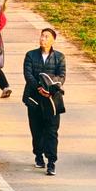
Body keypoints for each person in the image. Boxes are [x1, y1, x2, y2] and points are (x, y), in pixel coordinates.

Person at [22, 27, 66, 176]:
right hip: (34, 98)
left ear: (53, 40)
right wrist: (39, 88)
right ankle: (38, 155)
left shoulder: (59, 57)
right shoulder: (30, 55)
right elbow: (28, 75)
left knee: (52, 132)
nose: (43, 39)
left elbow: (61, 76)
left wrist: (51, 89)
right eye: (42, 36)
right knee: (37, 130)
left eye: (47, 37)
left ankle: (51, 161)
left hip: (52, 100)